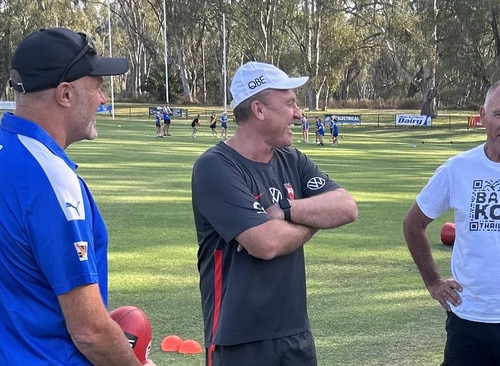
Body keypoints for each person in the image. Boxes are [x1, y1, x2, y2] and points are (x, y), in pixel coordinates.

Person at [0, 27, 154, 366]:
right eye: (97, 87)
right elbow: (89, 331)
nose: (103, 99)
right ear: (66, 94)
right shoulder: (49, 177)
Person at [191, 61, 358, 366]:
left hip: (296, 335)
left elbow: (346, 207)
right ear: (259, 109)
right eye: (290, 103)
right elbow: (265, 243)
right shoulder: (215, 167)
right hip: (238, 340)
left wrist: (286, 210)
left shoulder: (292, 159)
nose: (298, 113)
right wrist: (313, 217)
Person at [402, 78, 500, 366]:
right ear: (483, 116)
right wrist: (433, 282)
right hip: (467, 318)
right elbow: (413, 223)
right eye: (499, 114)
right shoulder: (458, 169)